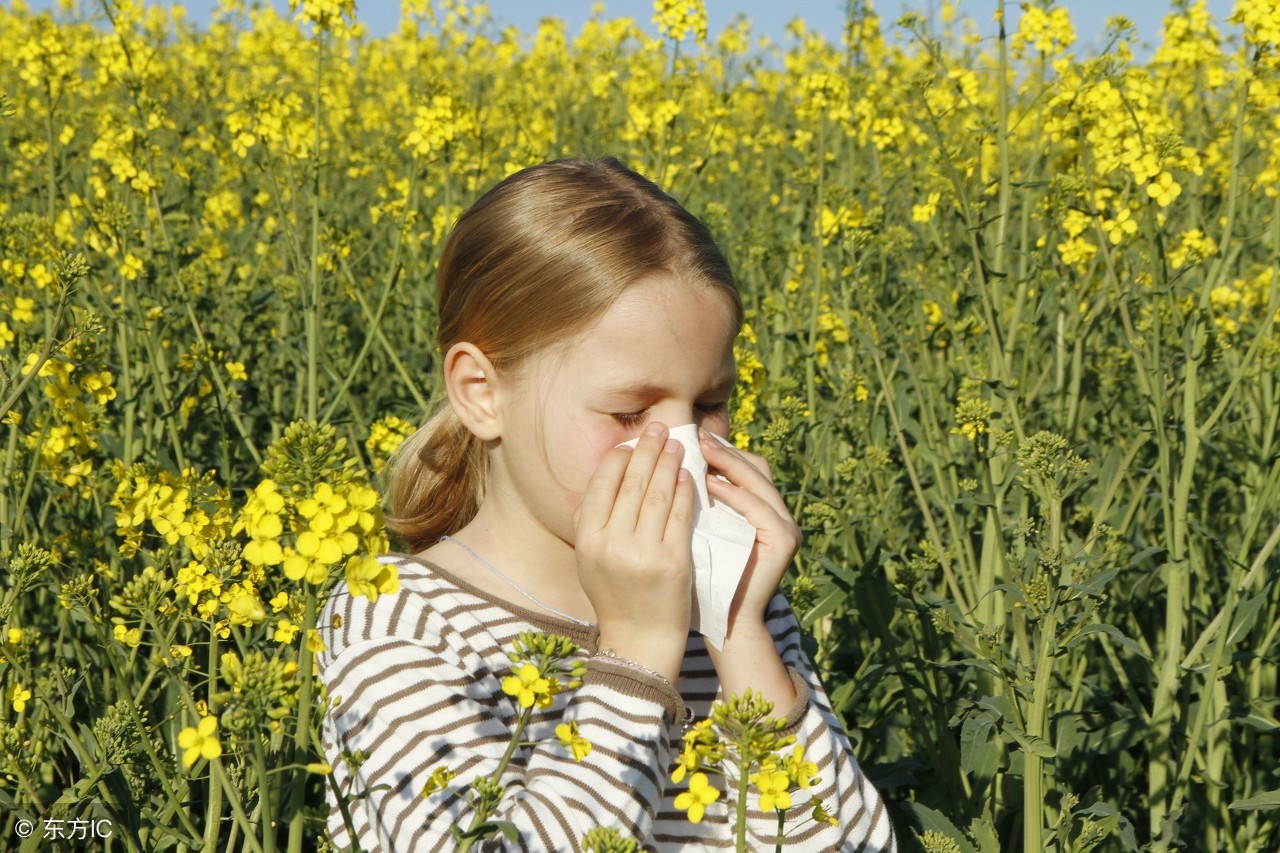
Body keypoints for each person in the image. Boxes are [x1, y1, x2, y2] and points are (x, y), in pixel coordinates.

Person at [317, 157, 896, 851]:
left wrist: (739, 628)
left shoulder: (727, 600)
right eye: (628, 413)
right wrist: (635, 656)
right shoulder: (401, 620)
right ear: (481, 392)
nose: (682, 447)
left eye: (711, 404)